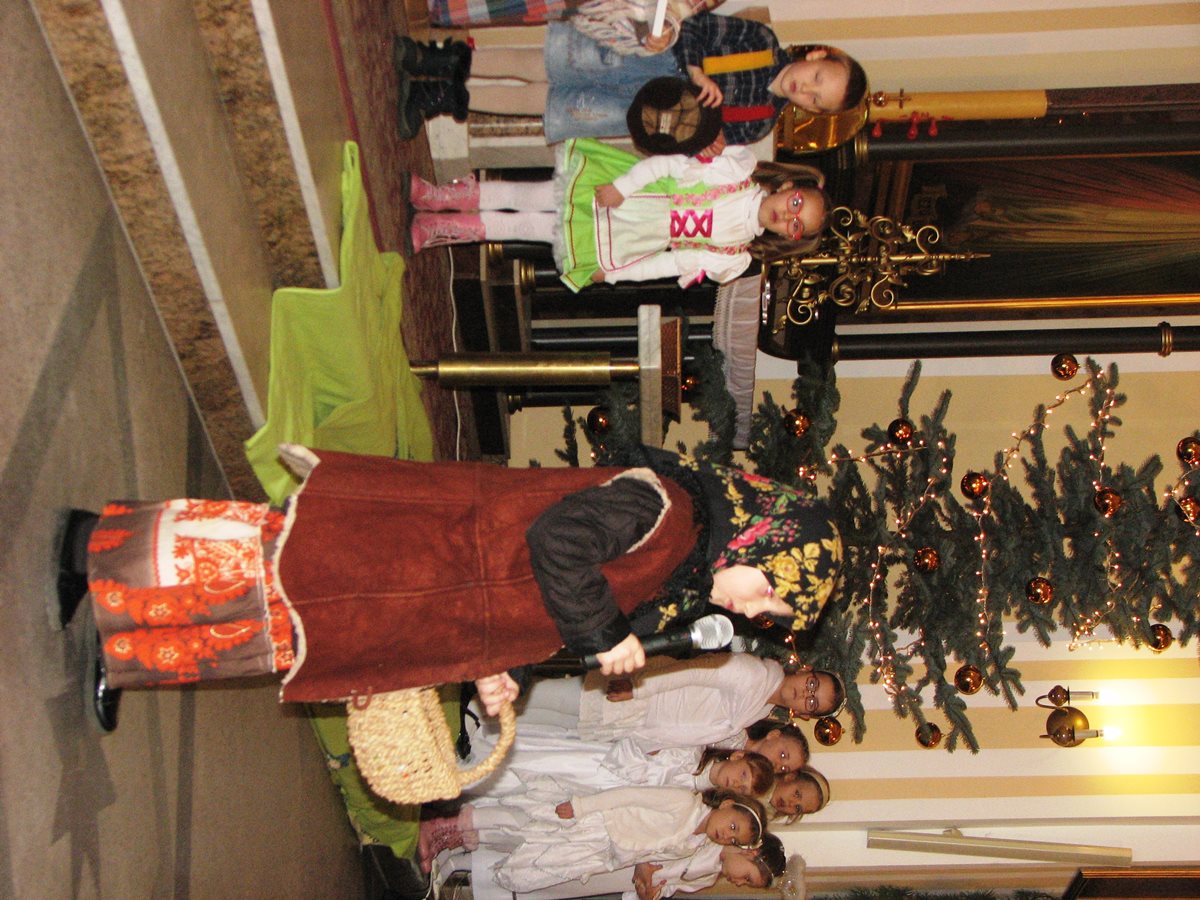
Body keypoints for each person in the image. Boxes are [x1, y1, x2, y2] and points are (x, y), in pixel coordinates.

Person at [56, 444, 841, 731]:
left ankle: (128, 644)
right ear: (761, 539)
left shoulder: (680, 566)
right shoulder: (667, 509)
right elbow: (557, 544)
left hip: (436, 597)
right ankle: (93, 547)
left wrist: (502, 665)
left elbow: (546, 601)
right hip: (420, 558)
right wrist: (606, 636)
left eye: (767, 615)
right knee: (257, 568)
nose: (752, 611)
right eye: (769, 592)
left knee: (283, 626)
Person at [406, 139, 829, 293]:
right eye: (796, 204)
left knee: (530, 228)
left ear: (790, 238)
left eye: (796, 225)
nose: (787, 216)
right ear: (789, 187)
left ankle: (445, 227)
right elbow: (669, 165)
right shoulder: (737, 171)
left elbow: (667, 264)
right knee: (531, 194)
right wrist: (623, 187)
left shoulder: (734, 257)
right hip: (629, 194)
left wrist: (611, 275)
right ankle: (441, 196)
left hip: (628, 240)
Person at [460, 12, 868, 145]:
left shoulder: (760, 123)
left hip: (644, 110)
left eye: (815, 100)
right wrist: (696, 71)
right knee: (546, 64)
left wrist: (707, 145)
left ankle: (450, 97)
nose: (806, 89)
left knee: (552, 105)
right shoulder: (761, 40)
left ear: (812, 111)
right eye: (817, 77)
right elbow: (694, 27)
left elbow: (698, 139)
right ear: (816, 55)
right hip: (643, 60)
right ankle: (452, 62)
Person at [422, 785, 767, 892]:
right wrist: (582, 806)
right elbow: (630, 795)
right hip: (598, 824)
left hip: (600, 851)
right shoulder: (684, 803)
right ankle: (444, 825)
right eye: (732, 825)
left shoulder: (692, 845)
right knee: (524, 825)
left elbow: (646, 854)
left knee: (525, 851)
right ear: (726, 804)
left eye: (734, 839)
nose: (726, 835)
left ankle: (455, 842)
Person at [514, 651, 844, 759]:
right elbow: (692, 670)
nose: (805, 694)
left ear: (804, 714)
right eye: (812, 684)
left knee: (533, 721)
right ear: (806, 671)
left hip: (635, 722)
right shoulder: (755, 673)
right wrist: (637, 689)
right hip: (637, 696)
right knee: (534, 696)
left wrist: (656, 744)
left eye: (812, 702)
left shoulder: (760, 709)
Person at [631, 832, 787, 899]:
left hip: (626, 884)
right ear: (752, 853)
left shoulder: (708, 879)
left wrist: (649, 895)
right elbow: (660, 833)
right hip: (631, 852)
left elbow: (667, 888)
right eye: (747, 878)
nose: (739, 883)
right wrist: (643, 860)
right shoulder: (708, 837)